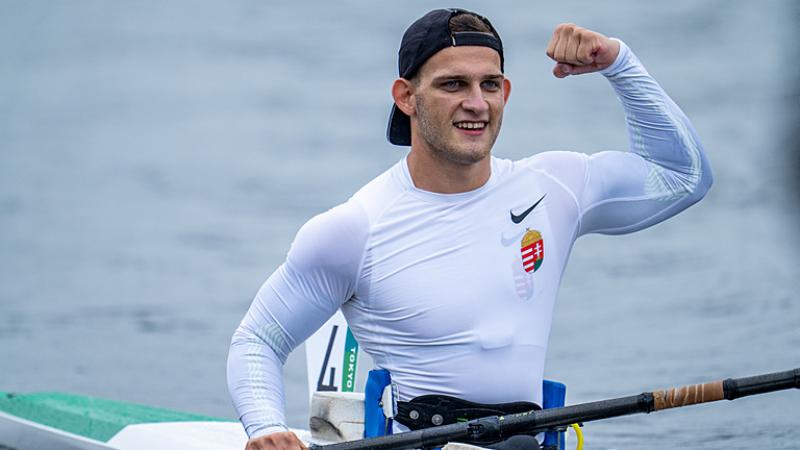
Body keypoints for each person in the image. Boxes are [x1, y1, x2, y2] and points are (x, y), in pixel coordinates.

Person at [227, 8, 713, 450]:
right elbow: (258, 341)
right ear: (406, 98)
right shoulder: (354, 229)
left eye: (490, 84)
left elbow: (684, 177)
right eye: (453, 84)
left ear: (506, 91)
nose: (477, 103)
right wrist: (267, 428)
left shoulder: (556, 188)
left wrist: (618, 63)